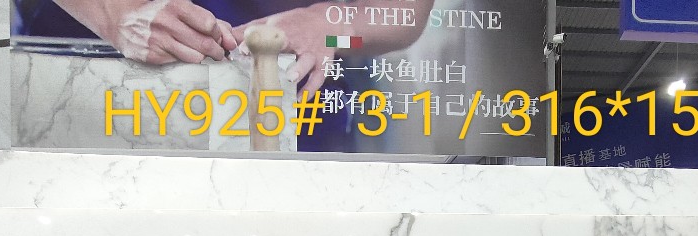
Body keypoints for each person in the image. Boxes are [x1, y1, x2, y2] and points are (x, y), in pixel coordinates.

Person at [23, 0, 434, 93]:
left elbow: (406, 20)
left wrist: (331, 27)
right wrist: (113, 11)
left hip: (293, 99)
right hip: (86, 74)